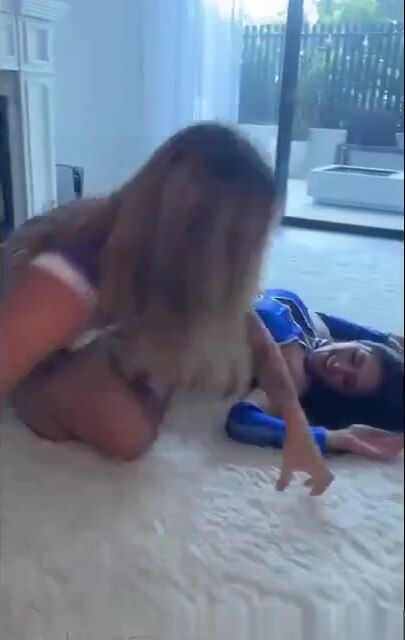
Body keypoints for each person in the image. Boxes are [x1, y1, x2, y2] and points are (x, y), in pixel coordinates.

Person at [0, 123, 333, 495]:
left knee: (162, 378)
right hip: (40, 345)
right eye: (249, 240)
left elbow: (258, 341)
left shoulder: (183, 267)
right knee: (127, 435)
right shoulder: (67, 279)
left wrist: (296, 424)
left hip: (91, 336)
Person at [227, 288, 404, 461]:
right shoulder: (319, 332)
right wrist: (383, 338)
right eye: (355, 357)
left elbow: (240, 420)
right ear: (359, 342)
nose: (337, 365)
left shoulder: (292, 379)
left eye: (347, 381)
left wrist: (331, 438)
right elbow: (319, 317)